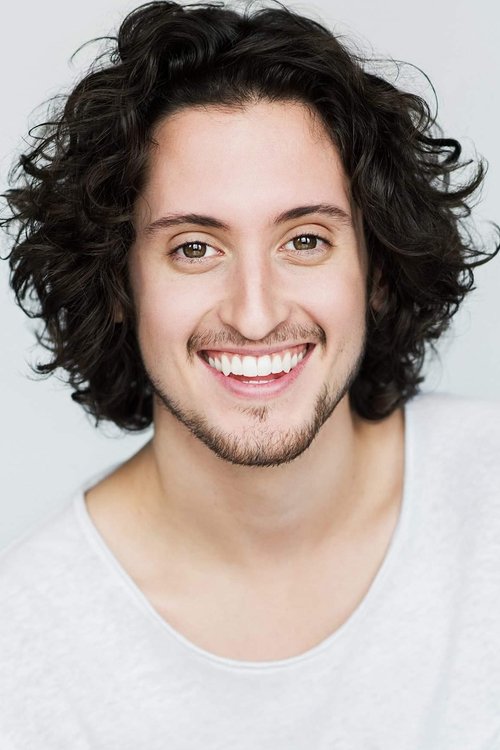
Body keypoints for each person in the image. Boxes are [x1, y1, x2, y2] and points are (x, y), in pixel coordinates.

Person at [1, 1, 499, 747]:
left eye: (305, 240)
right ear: (119, 286)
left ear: (377, 269)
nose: (256, 315)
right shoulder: (22, 647)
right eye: (194, 249)